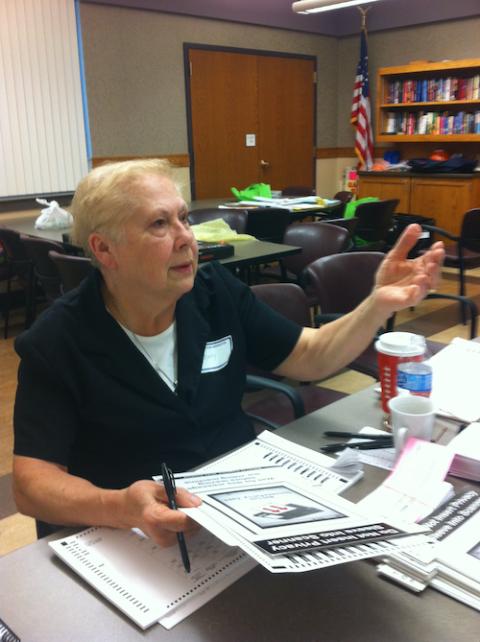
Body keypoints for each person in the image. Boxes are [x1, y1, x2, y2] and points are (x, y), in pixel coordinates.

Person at [12, 159, 445, 547]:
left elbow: (309, 355)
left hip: (237, 511)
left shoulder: (215, 292)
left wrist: (376, 304)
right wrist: (119, 506)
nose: (187, 238)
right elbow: (33, 484)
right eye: (159, 224)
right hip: (136, 539)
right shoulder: (59, 339)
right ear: (104, 249)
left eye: (183, 218)